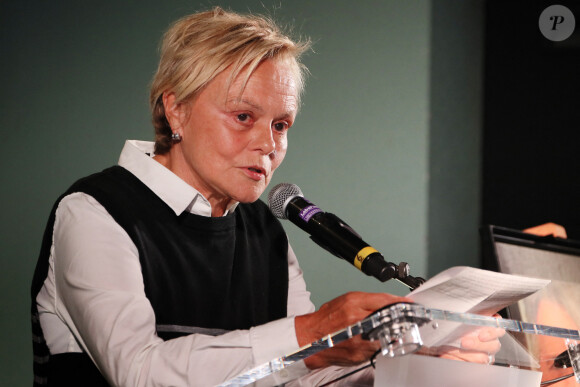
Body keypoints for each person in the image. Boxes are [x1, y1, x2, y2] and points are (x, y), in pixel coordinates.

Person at [31, 7, 501, 386]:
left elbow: (302, 376)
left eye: (281, 125)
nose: (269, 144)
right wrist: (313, 334)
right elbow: (138, 373)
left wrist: (414, 358)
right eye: (243, 117)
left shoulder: (262, 229)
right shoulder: (94, 211)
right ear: (176, 109)